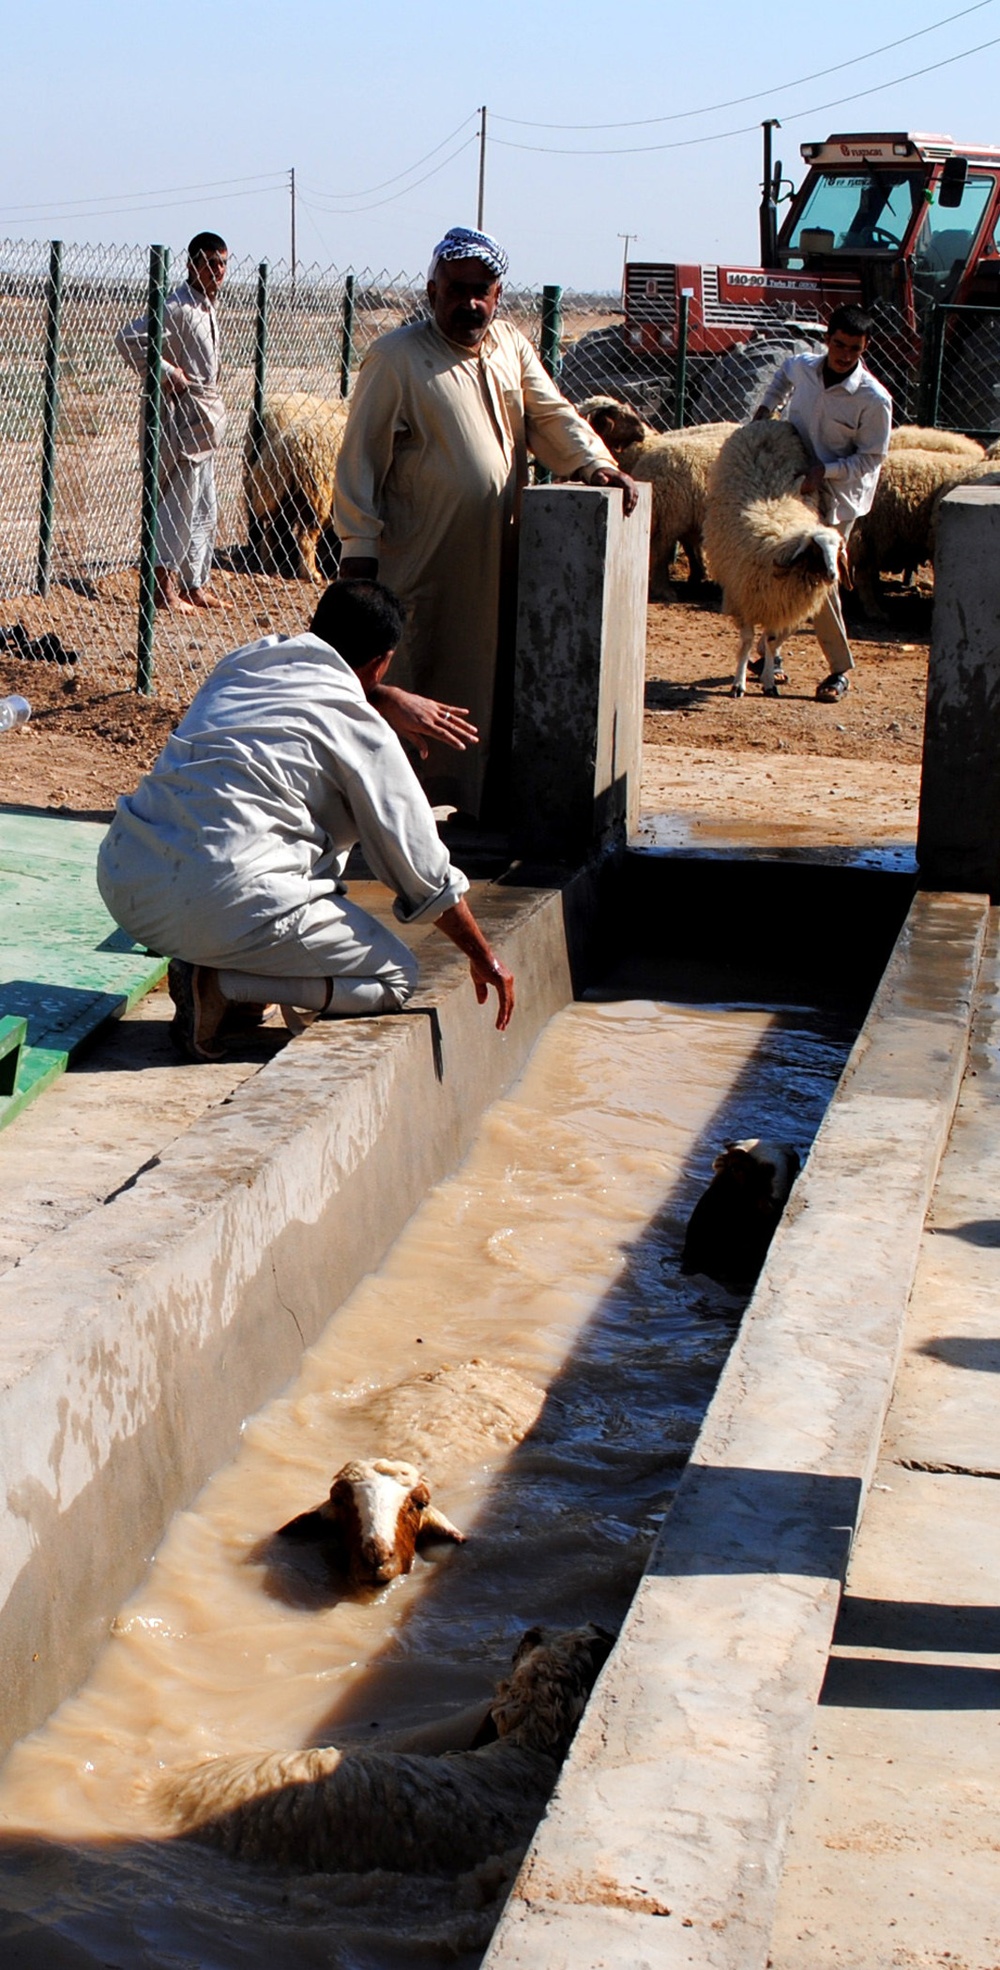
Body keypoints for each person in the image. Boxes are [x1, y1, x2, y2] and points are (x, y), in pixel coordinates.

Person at [96, 581, 515, 1059]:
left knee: (276, 855)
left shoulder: (244, 662)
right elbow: (421, 869)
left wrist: (380, 695)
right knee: (396, 976)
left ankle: (231, 988)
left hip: (128, 881)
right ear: (382, 662)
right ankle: (223, 984)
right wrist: (485, 958)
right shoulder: (362, 728)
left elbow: (312, 693)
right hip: (220, 903)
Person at [333, 225, 638, 818]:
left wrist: (595, 464)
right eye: (456, 290)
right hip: (420, 557)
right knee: (414, 669)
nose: (469, 302)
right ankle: (387, 816)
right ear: (431, 291)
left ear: (498, 295)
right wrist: (359, 546)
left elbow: (551, 416)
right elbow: (359, 458)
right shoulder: (397, 358)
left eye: (482, 291)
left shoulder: (509, 347)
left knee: (485, 677)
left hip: (495, 557)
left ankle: (469, 806)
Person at [753, 304, 892, 702]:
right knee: (788, 567)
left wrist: (826, 471)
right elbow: (781, 375)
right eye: (839, 344)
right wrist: (767, 408)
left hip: (839, 497)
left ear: (864, 349)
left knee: (823, 577)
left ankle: (839, 671)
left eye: (855, 349)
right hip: (798, 486)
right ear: (827, 339)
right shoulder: (804, 367)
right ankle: (769, 655)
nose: (845, 355)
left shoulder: (873, 399)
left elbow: (870, 458)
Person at [116, 231, 230, 615]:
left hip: (204, 424)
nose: (218, 271)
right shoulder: (177, 306)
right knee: (177, 506)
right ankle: (162, 590)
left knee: (205, 508)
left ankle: (195, 584)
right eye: (211, 263)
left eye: (223, 263)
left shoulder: (206, 307)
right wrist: (166, 371)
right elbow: (129, 338)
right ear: (192, 265)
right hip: (179, 424)